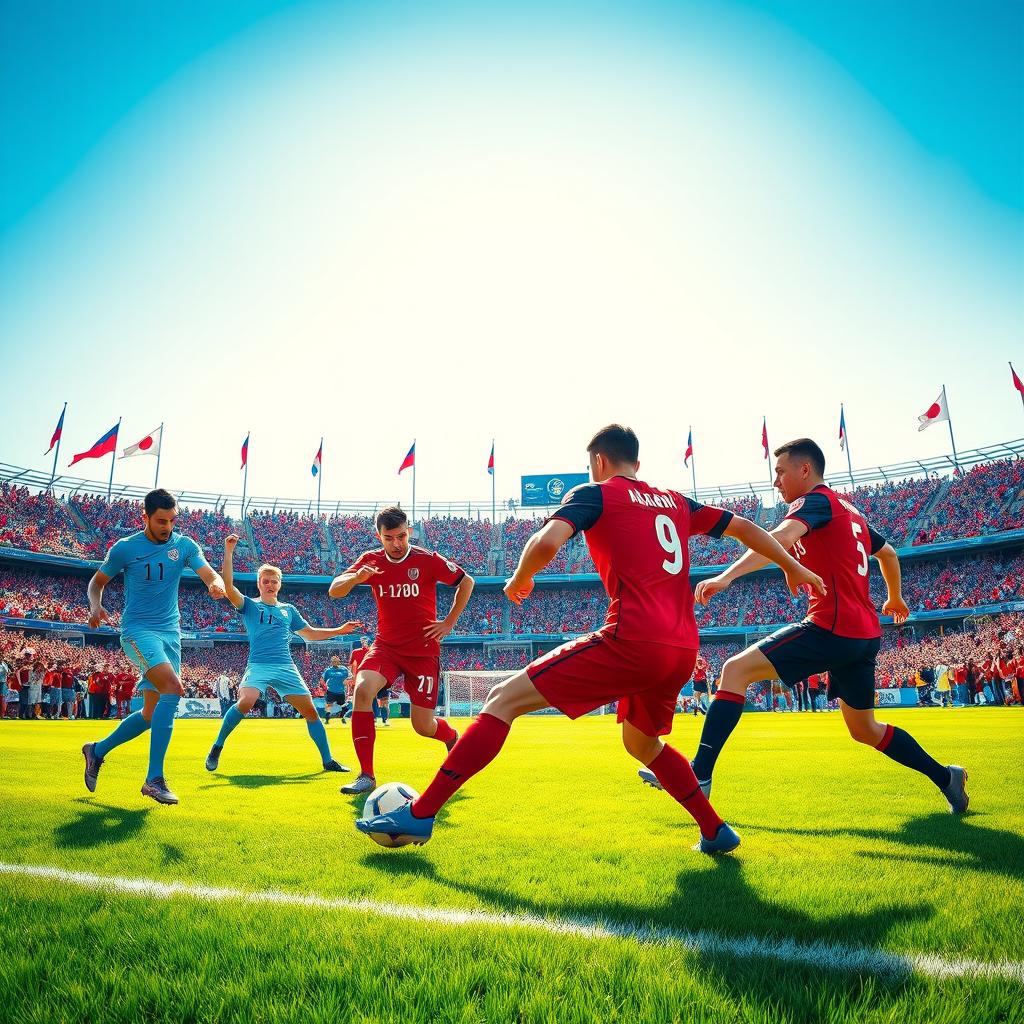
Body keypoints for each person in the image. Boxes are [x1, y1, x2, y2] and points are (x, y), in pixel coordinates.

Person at [356, 424, 824, 852]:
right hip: (682, 648)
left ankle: (420, 814)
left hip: (632, 640)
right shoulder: (677, 502)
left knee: (501, 699)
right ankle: (714, 830)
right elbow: (743, 527)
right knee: (643, 745)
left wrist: (521, 577)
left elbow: (546, 540)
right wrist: (794, 565)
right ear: (636, 463)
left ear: (599, 463)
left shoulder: (597, 493)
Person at [681, 438, 969, 817]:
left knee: (734, 670)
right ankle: (947, 777)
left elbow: (779, 538)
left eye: (781, 472)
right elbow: (888, 553)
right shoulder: (851, 512)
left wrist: (725, 578)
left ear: (805, 470)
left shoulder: (814, 502)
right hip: (864, 635)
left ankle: (699, 775)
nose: (776, 482)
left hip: (831, 627)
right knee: (865, 729)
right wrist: (894, 597)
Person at [81, 488, 227, 806]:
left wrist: (215, 583)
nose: (167, 527)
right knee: (173, 690)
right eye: (161, 521)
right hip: (137, 632)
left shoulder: (184, 545)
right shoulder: (125, 548)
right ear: (145, 517)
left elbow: (208, 572)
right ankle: (154, 779)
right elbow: (97, 582)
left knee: (149, 714)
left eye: (172, 520)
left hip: (170, 636)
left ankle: (96, 751)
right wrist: (95, 606)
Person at [329, 507, 474, 796]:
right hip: (386, 646)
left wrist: (449, 622)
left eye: (402, 536)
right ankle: (367, 775)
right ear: (378, 536)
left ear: (410, 530)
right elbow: (335, 590)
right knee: (362, 689)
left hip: (422, 651)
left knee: (422, 726)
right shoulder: (370, 560)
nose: (397, 543)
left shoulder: (427, 559)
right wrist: (357, 577)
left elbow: (466, 581)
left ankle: (452, 736)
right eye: (389, 538)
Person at [203, 535, 361, 773]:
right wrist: (228, 551)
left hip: (286, 667)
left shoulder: (289, 610)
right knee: (246, 701)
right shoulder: (249, 605)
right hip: (258, 665)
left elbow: (310, 633)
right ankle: (217, 746)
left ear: (279, 584)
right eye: (265, 581)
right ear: (259, 584)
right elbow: (227, 587)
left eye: (274, 581)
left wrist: (340, 630)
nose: (270, 584)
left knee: (310, 711)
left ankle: (328, 760)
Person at [321, 655, 350, 724]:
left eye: (335, 661)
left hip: (341, 692)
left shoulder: (344, 669)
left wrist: (347, 680)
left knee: (343, 706)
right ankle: (327, 719)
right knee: (328, 705)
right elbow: (322, 680)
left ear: (339, 661)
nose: (334, 662)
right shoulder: (328, 670)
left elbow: (351, 677)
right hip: (331, 691)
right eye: (332, 661)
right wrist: (324, 687)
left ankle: (343, 718)